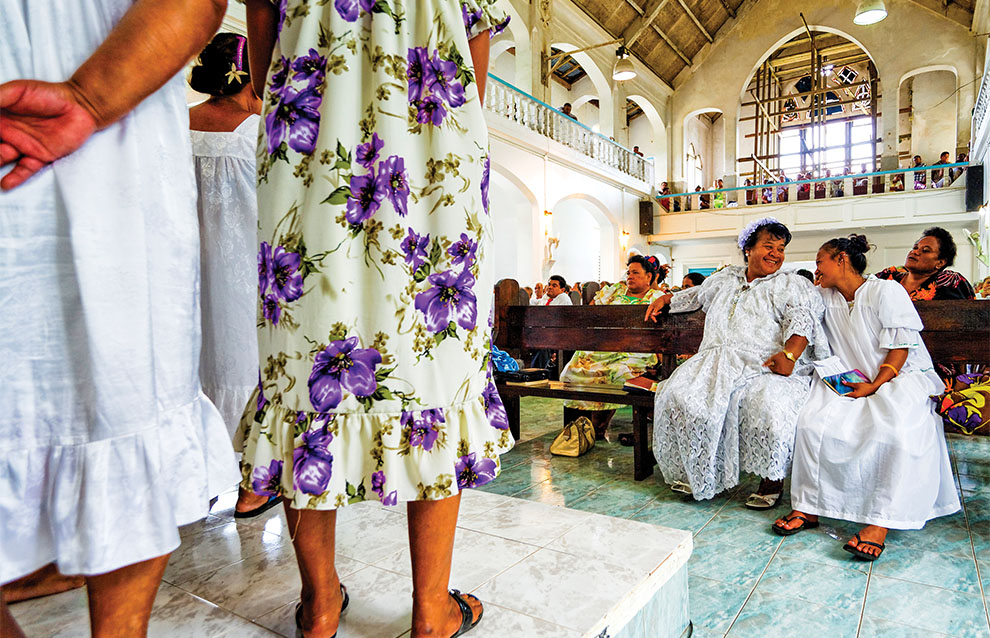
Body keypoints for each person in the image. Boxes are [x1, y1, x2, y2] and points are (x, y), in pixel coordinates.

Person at [240, 2, 511, 637]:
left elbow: (261, 51)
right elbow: (474, 59)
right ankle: (431, 611)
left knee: (306, 365)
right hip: (432, 145)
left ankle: (321, 606)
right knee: (435, 369)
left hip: (310, 137)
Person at [0, 2, 238, 637]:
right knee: (122, 392)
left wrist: (90, 95)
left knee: (121, 396)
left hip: (109, 77)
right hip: (102, 92)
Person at [774, 235, 959, 561]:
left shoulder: (885, 290)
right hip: (848, 376)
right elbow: (795, 310)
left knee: (895, 427)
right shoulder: (823, 296)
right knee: (812, 422)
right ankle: (810, 506)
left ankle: (879, 521)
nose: (816, 269)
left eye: (820, 261)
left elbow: (901, 347)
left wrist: (875, 385)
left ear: (841, 259)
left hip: (898, 375)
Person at [644, 218, 827, 509]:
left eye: (781, 249)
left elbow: (801, 320)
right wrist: (667, 298)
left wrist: (791, 354)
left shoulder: (790, 284)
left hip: (765, 362)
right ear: (748, 249)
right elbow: (694, 296)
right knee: (680, 395)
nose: (775, 254)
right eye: (768, 246)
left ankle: (771, 479)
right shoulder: (726, 278)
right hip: (716, 361)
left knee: (766, 402)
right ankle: (701, 471)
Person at [188, 33, 276, 520]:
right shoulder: (257, 132)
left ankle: (195, 480)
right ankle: (253, 483)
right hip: (246, 270)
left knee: (195, 367)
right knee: (247, 368)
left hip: (188, 273)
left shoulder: (181, 127)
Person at [559, 256, 668, 439]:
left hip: (636, 350)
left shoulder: (656, 297)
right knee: (572, 370)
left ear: (649, 276)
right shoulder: (614, 292)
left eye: (636, 273)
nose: (630, 276)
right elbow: (591, 313)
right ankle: (587, 427)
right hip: (605, 346)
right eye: (629, 272)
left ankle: (597, 426)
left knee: (618, 373)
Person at [875, 227, 975, 301]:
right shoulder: (889, 276)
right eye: (915, 248)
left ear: (940, 263)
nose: (915, 252)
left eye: (925, 250)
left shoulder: (949, 282)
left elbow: (966, 316)